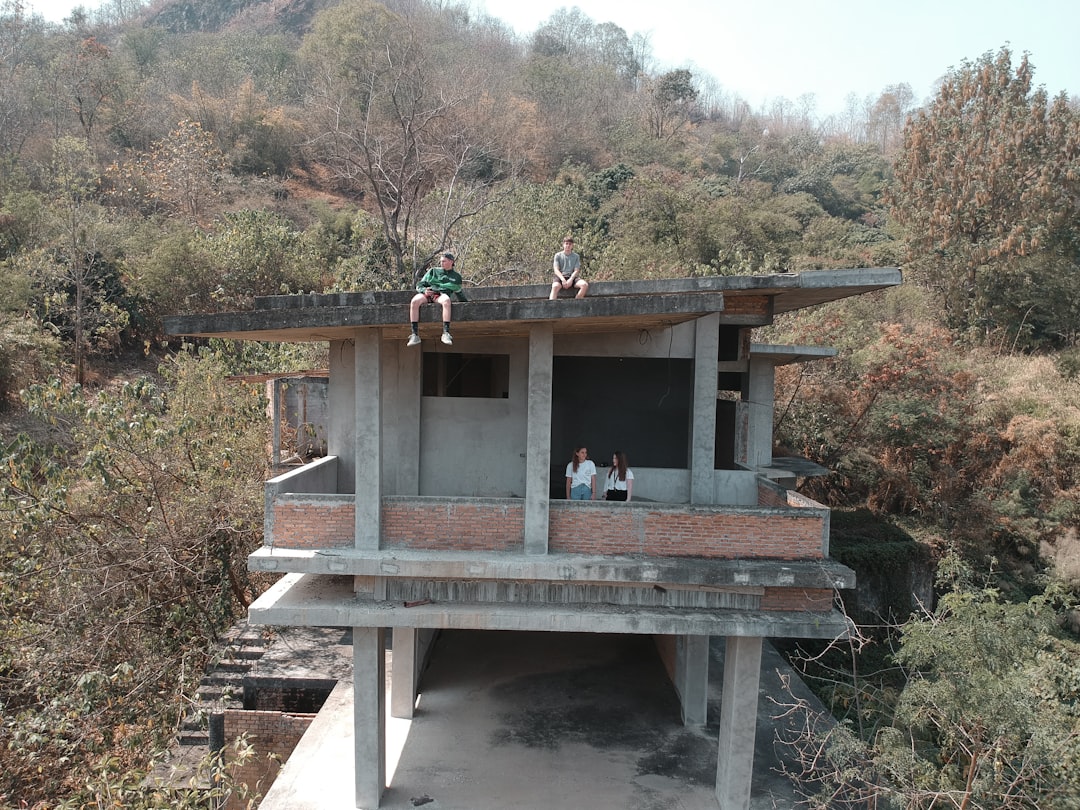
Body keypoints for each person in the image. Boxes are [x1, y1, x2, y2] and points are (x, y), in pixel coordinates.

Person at [408, 252, 464, 346]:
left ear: (451, 262)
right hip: (428, 293)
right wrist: (424, 290)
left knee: (446, 301)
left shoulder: (456, 277)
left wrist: (465, 303)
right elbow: (420, 285)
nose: (441, 263)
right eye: (441, 261)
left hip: (441, 295)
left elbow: (458, 291)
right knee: (414, 301)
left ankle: (446, 333)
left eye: (444, 261)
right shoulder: (433, 271)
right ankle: (414, 334)